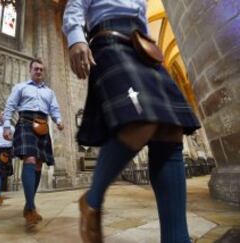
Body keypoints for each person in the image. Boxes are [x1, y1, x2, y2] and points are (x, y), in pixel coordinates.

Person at [63, 1, 201, 243]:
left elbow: (142, 18)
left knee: (171, 132)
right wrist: (76, 38)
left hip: (142, 48)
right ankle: (92, 200)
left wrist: (151, 50)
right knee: (140, 122)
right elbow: (75, 4)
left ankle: (177, 239)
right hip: (109, 41)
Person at [3, 58, 64, 226]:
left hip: (43, 125)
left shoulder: (49, 92)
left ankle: (29, 205)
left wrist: (58, 120)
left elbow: (54, 109)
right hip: (25, 123)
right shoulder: (21, 87)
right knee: (29, 160)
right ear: (30, 70)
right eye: (36, 69)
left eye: (41, 69)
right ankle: (31, 208)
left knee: (38, 165)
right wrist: (6, 126)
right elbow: (10, 106)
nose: (38, 71)